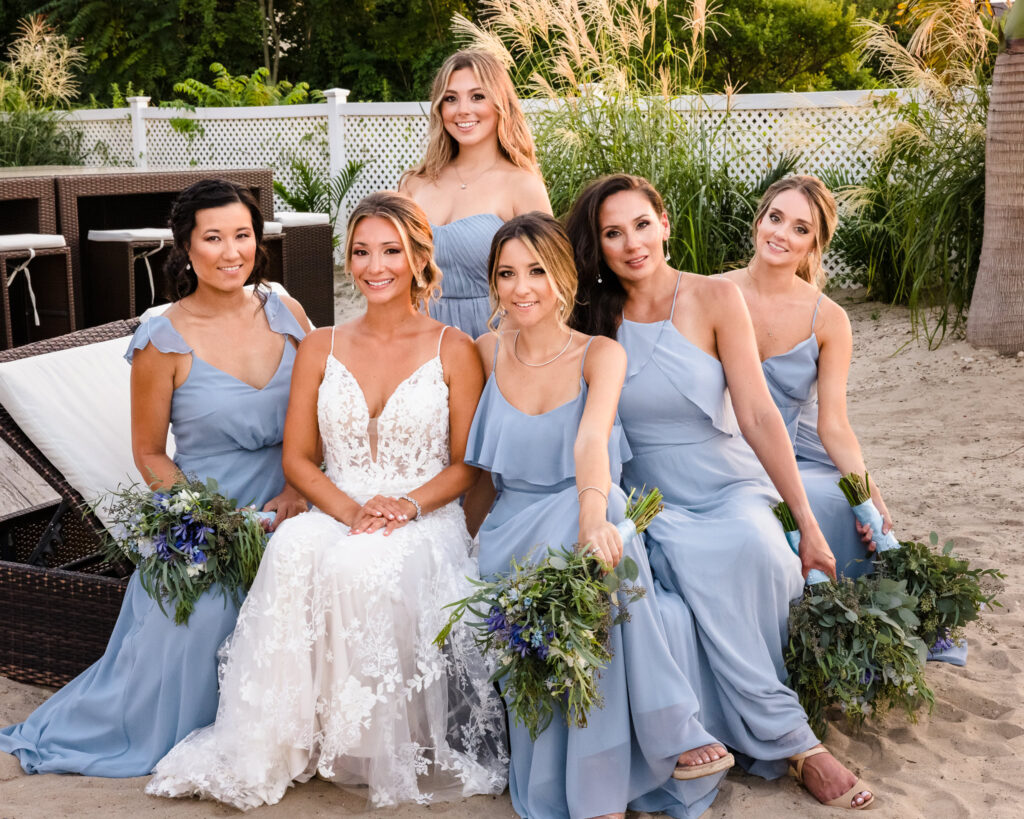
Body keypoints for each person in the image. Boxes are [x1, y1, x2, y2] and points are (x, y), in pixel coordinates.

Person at [146, 191, 508, 810]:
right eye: (362, 251)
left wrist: (406, 507)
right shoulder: (321, 345)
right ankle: (287, 739)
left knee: (355, 565)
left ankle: (365, 743)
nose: (375, 266)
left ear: (420, 257)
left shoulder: (455, 347)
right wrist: (348, 510)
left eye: (391, 251)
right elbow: (297, 460)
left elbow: (467, 465)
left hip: (424, 512)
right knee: (292, 547)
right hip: (341, 505)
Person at [566, 174, 874, 810]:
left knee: (758, 550)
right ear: (597, 245)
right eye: (613, 233)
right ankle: (796, 743)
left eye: (642, 225)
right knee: (671, 567)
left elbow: (759, 415)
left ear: (666, 223)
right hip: (649, 494)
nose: (632, 244)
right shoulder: (591, 316)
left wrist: (805, 523)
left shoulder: (714, 299)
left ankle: (779, 732)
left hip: (728, 480)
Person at [0, 178, 311, 777]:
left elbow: (322, 405)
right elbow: (149, 454)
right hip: (211, 516)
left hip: (300, 493)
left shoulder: (285, 308)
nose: (231, 252)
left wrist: (299, 489)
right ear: (186, 249)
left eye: (242, 235)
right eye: (213, 238)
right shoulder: (162, 339)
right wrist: (211, 521)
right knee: (204, 621)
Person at [464, 212, 734, 819]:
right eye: (507, 273)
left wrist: (591, 518)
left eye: (537, 270)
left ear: (563, 277)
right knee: (599, 543)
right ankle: (664, 734)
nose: (522, 287)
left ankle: (604, 792)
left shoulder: (600, 354)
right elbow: (478, 474)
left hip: (584, 505)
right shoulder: (485, 351)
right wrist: (459, 539)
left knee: (607, 521)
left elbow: (592, 443)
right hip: (514, 527)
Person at [722, 175, 888, 582]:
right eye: (775, 218)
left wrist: (873, 497)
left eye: (800, 229)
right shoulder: (710, 293)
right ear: (759, 220)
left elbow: (834, 425)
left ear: (815, 244)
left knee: (834, 501)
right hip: (726, 447)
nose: (781, 234)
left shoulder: (829, 318)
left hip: (801, 453)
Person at [400, 48, 551, 339]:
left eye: (477, 96)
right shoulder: (413, 185)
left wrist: (496, 347)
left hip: (495, 338)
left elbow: (547, 280)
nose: (463, 110)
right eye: (451, 98)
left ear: (500, 104)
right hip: (418, 339)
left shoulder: (522, 185)